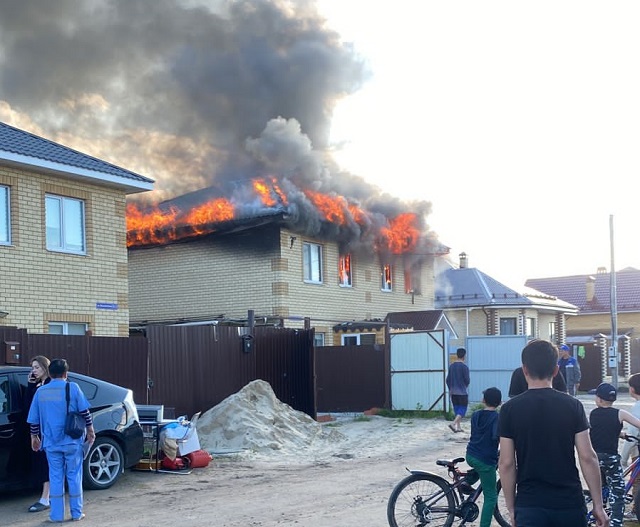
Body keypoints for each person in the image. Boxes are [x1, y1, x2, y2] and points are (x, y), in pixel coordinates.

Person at [498, 339, 608, 527]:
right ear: (556, 370)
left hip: (530, 505)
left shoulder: (509, 410)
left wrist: (511, 507)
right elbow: (588, 456)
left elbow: (506, 463)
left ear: (524, 370)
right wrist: (598, 505)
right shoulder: (573, 406)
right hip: (569, 504)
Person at [27, 358, 96, 523]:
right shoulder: (72, 387)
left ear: (49, 373)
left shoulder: (40, 391)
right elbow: (84, 412)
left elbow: (34, 420)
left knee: (56, 477)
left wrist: (34, 437)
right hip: (72, 441)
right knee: (74, 476)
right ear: (66, 373)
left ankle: (56, 516)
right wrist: (91, 431)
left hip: (51, 443)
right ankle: (76, 513)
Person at [589, 382, 640, 527]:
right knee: (618, 493)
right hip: (610, 458)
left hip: (595, 458)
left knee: (601, 489)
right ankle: (616, 523)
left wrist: (621, 435)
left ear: (598, 399)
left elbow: (600, 431)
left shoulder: (593, 414)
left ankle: (599, 518)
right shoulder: (620, 413)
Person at [466, 386, 501, 527]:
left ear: (483, 400)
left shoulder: (475, 415)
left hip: (470, 454)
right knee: (491, 497)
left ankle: (467, 482)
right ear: (499, 402)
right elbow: (495, 437)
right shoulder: (497, 418)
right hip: (485, 459)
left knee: (479, 467)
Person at [25, 356, 52, 513]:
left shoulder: (49, 385)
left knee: (46, 463)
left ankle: (46, 497)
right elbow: (30, 408)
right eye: (32, 367)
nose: (33, 370)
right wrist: (30, 385)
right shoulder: (37, 385)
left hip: (47, 431)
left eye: (36, 367)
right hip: (37, 430)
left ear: (44, 367)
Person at [446, 347, 470, 433]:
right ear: (464, 356)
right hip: (462, 392)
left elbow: (447, 380)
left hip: (453, 392)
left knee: (457, 409)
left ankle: (458, 427)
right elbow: (467, 380)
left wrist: (450, 388)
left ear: (457, 355)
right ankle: (453, 424)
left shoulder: (451, 366)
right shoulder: (464, 367)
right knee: (462, 410)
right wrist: (464, 386)